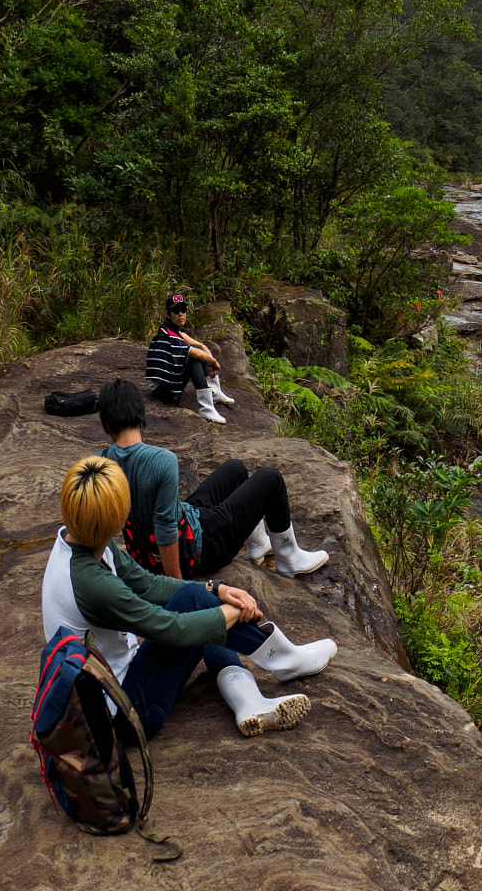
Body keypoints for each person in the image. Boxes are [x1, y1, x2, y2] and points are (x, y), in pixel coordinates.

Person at [41, 456, 336, 738]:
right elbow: (168, 627)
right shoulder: (92, 583)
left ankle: (248, 700)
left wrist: (215, 589)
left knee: (197, 598)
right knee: (195, 606)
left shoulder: (80, 537)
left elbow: (146, 583)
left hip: (109, 689)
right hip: (127, 715)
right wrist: (229, 612)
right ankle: (283, 658)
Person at [96, 379, 331, 580]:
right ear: (141, 418)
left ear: (107, 425)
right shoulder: (161, 461)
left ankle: (259, 545)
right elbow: (165, 531)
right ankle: (288, 558)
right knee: (271, 479)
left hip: (159, 545)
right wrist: (178, 590)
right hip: (200, 548)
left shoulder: (99, 463)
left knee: (235, 469)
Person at [148, 292, 234, 424]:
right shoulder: (167, 335)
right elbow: (197, 354)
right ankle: (206, 408)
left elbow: (199, 345)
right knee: (194, 357)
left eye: (183, 310)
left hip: (168, 384)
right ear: (168, 314)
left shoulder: (174, 331)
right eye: (176, 311)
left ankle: (214, 392)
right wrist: (214, 362)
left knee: (197, 352)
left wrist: (209, 360)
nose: (180, 314)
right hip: (164, 391)